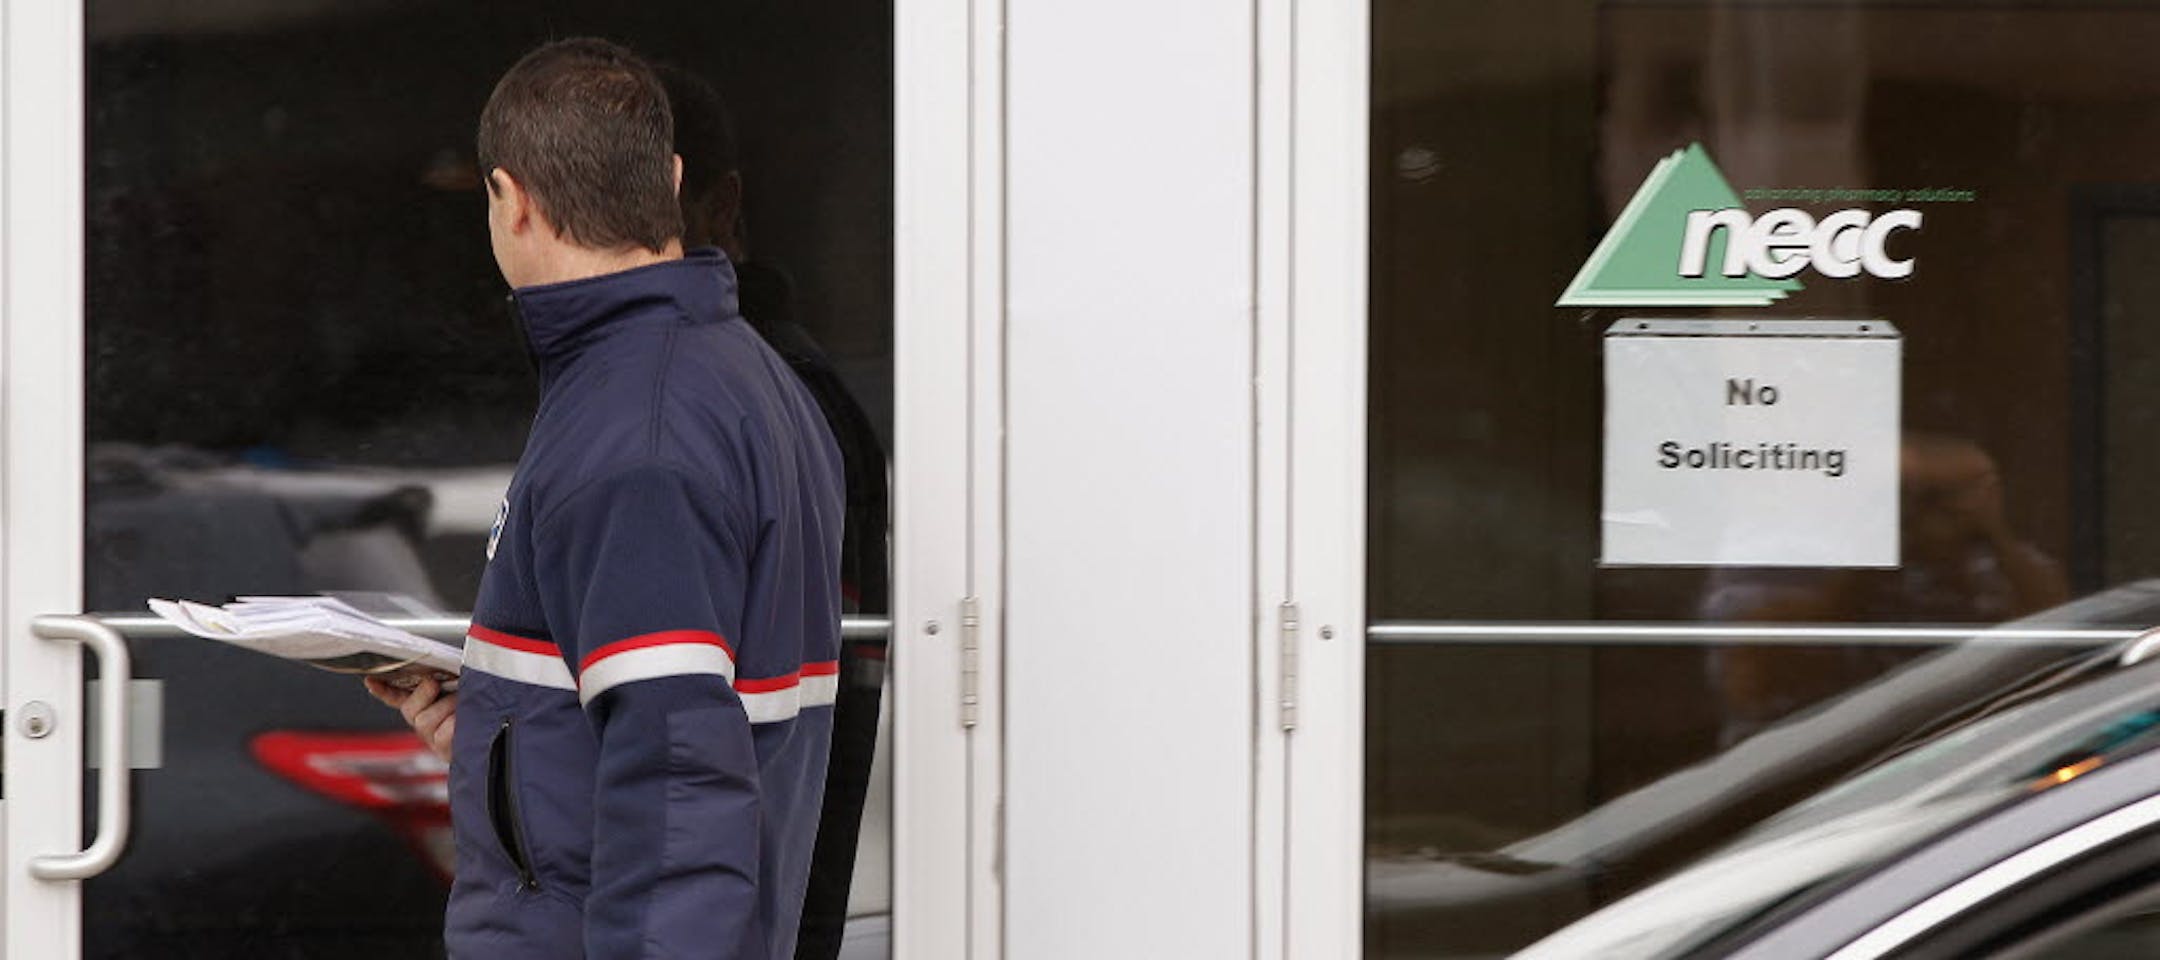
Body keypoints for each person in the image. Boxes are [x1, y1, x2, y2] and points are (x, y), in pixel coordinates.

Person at [372, 61, 889, 960]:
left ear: (509, 198)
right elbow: (677, 704)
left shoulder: (636, 426)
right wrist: (500, 717)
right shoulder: (724, 374)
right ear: (674, 181)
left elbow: (678, 774)